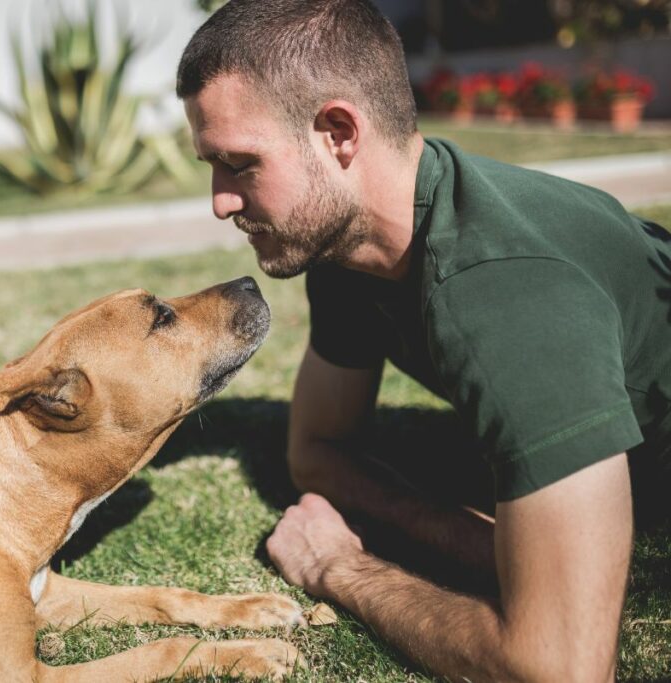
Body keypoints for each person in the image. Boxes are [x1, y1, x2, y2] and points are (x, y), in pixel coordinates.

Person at [176, 0, 671, 680]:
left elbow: (562, 667)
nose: (220, 201)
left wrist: (336, 565)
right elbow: (316, 450)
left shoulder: (507, 296)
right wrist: (461, 535)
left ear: (338, 133)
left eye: (239, 163)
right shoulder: (348, 248)